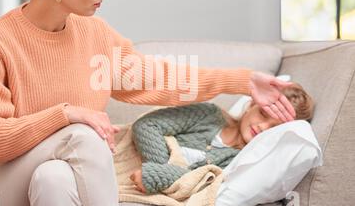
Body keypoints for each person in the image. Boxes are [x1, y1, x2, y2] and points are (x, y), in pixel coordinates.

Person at [0, 0, 296, 206]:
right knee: (81, 133)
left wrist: (244, 81)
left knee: (54, 179)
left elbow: (161, 78)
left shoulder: (96, 36)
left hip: (48, 182)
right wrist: (65, 115)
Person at [130, 83, 314, 194]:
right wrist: (157, 171)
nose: (263, 126)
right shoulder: (208, 114)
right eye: (263, 114)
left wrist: (157, 176)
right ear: (252, 104)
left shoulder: (242, 161)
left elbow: (209, 184)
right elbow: (147, 125)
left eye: (274, 128)